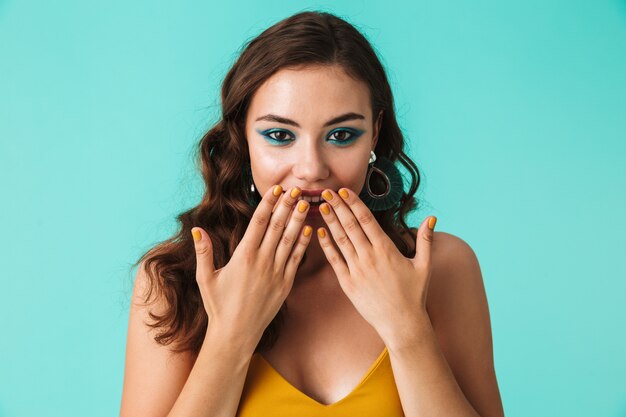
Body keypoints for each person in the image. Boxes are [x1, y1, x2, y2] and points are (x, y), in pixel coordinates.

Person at [120, 10, 505, 417]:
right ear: (242, 137)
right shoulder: (174, 278)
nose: (311, 168)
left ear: (374, 133)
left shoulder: (439, 268)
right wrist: (231, 337)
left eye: (341, 135)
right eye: (280, 135)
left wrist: (407, 329)